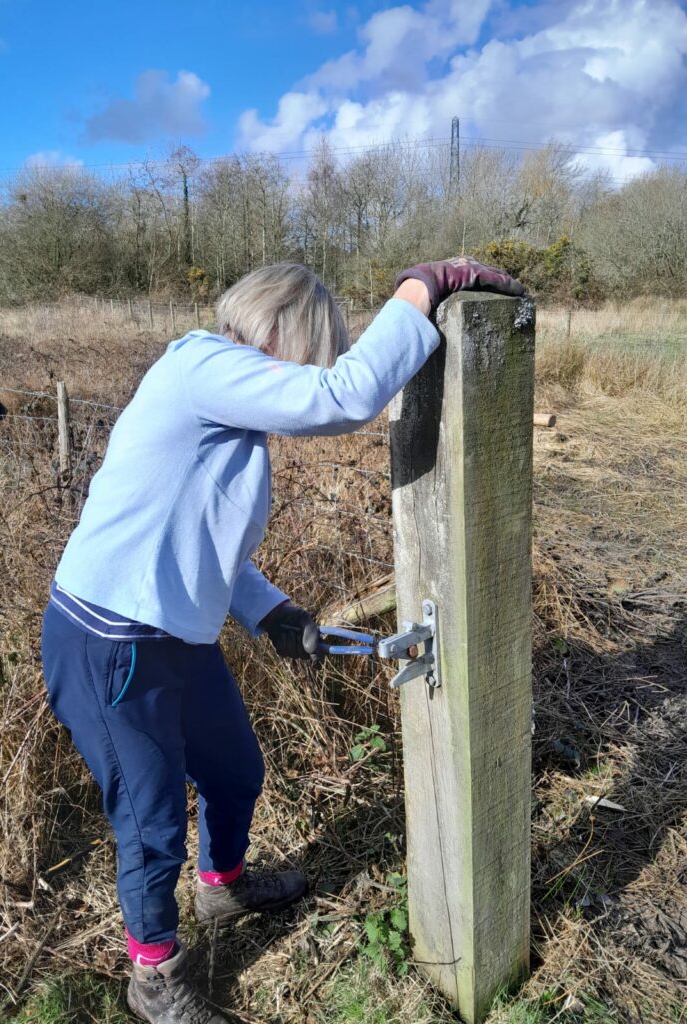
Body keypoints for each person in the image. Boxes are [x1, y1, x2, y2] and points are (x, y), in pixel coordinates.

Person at [41, 257, 524, 1024]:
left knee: (234, 769)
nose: (314, 369)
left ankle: (221, 890)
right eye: (312, 351)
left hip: (173, 635)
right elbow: (346, 397)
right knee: (150, 819)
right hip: (109, 639)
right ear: (277, 332)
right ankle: (154, 976)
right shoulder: (201, 366)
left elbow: (207, 544)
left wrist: (275, 615)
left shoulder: (227, 413)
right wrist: (425, 284)